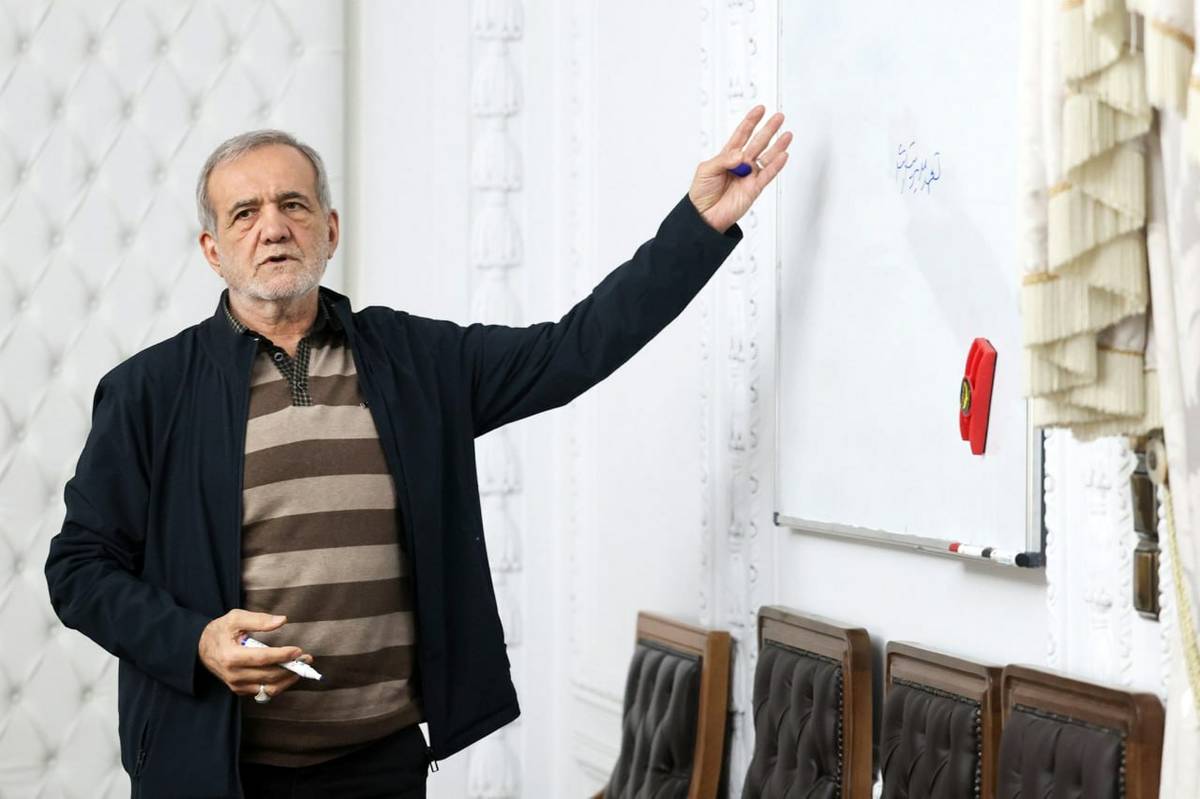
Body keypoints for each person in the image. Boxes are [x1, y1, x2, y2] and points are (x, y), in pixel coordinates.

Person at [44, 106, 791, 798]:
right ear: (213, 250)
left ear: (329, 229)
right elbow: (78, 569)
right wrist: (197, 641)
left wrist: (696, 227)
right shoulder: (149, 391)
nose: (273, 228)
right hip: (217, 773)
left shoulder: (414, 360)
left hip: (382, 767)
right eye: (245, 213)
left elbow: (573, 350)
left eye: (293, 205)